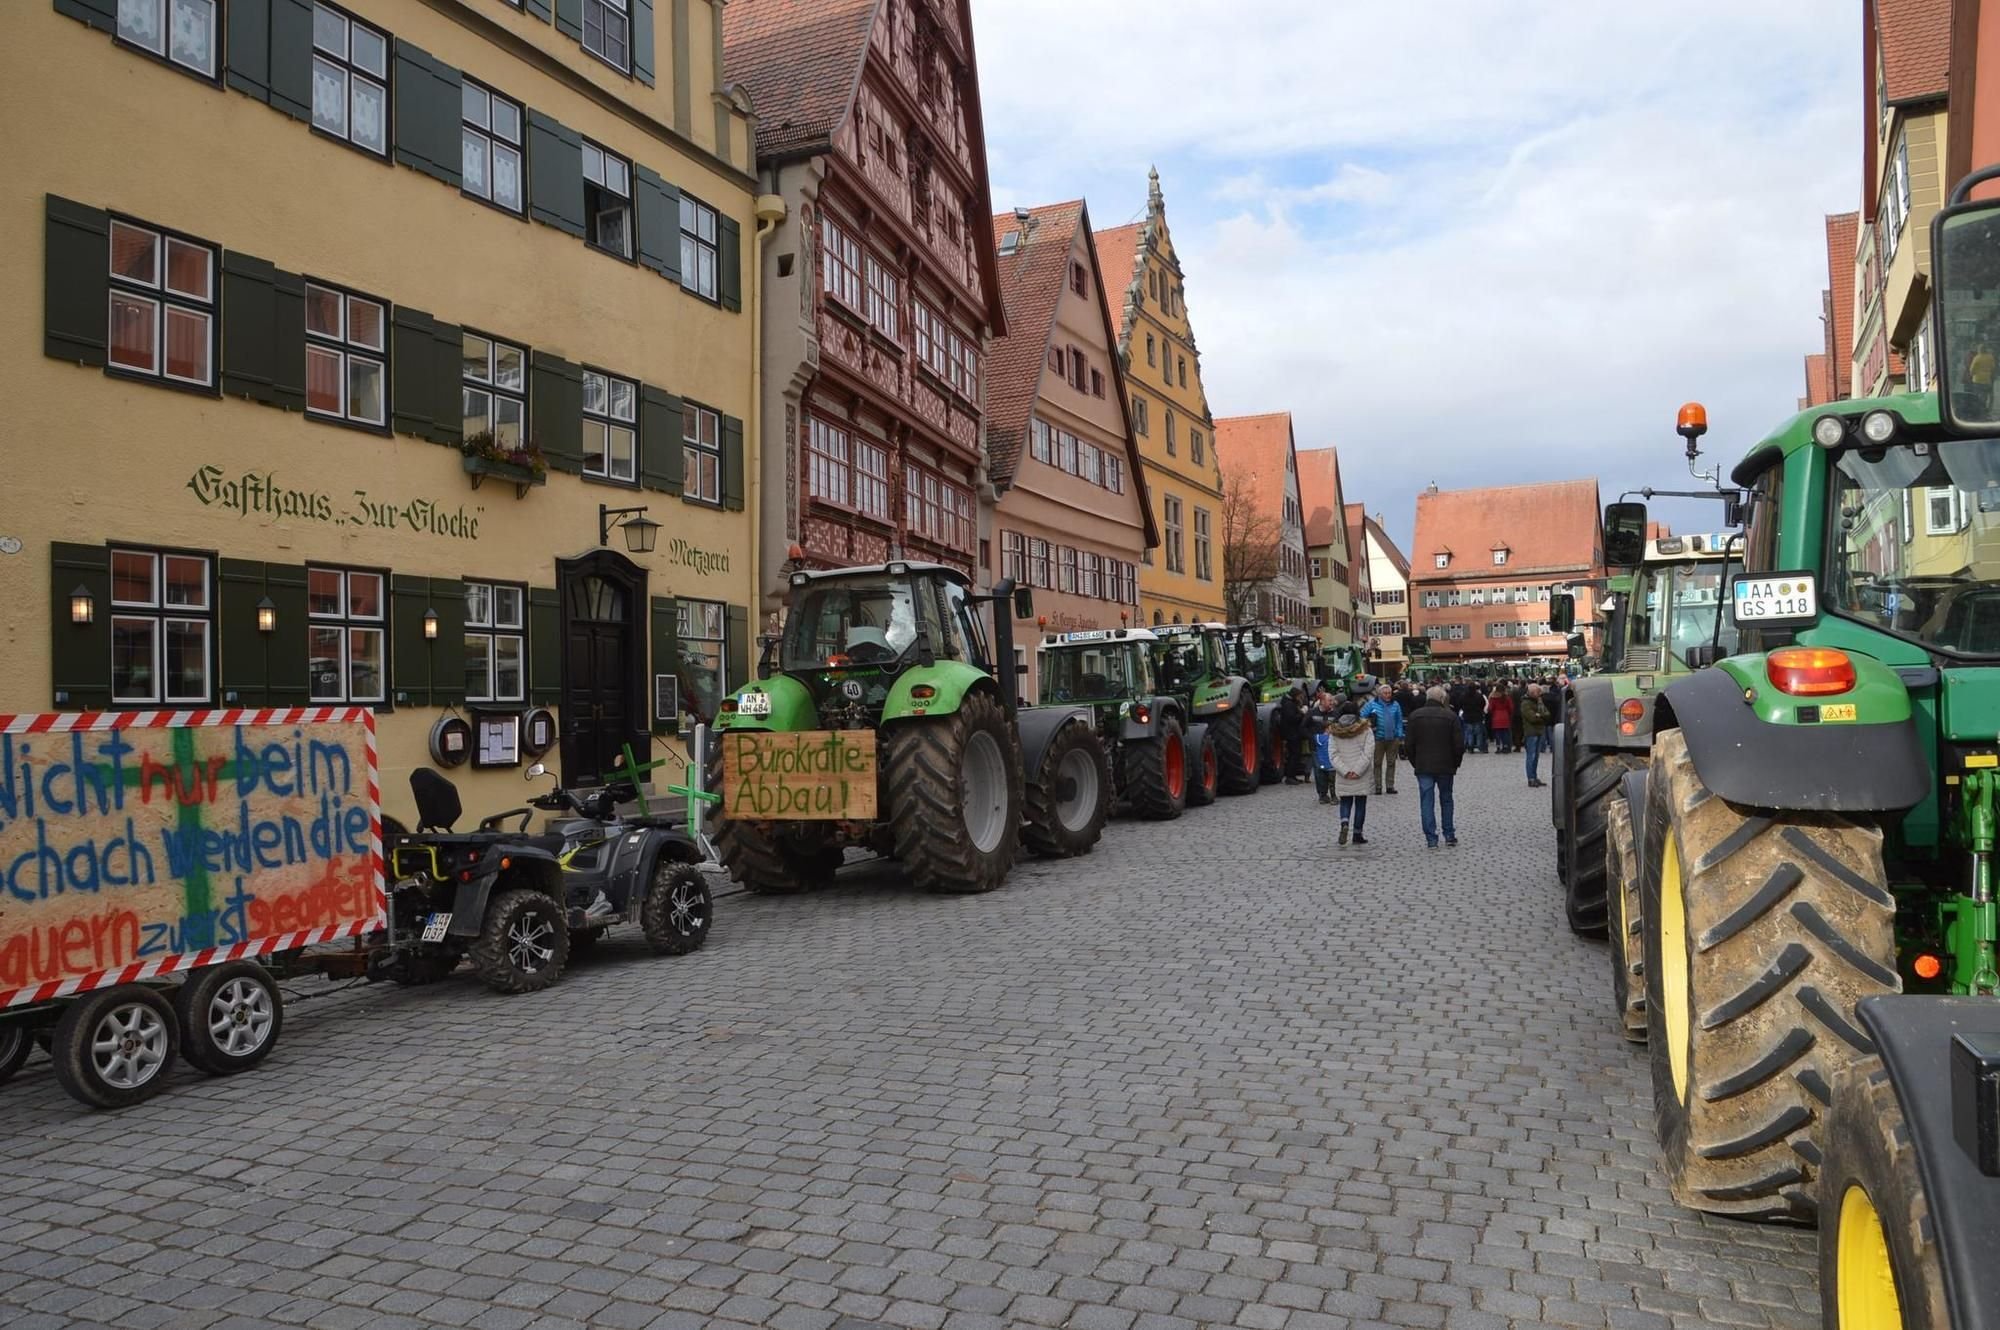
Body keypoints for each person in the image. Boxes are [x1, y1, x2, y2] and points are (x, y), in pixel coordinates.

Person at [1404, 685, 1464, 848]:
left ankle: (1431, 838)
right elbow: (1459, 744)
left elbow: (1408, 744)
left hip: (1423, 765)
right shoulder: (1450, 716)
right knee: (1446, 799)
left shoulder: (1415, 716)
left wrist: (1415, 762)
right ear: (1442, 699)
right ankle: (1449, 834)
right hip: (1446, 765)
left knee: (1426, 801)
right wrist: (1455, 763)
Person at [1320, 701, 1375, 845]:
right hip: (1361, 774)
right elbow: (1368, 753)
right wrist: (1357, 770)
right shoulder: (1365, 729)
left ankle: (1344, 823)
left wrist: (1345, 771)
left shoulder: (1335, 731)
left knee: (1345, 801)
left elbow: (1333, 755)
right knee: (1360, 803)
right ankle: (1357, 834)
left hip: (1343, 774)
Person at [1360, 683, 1405, 795]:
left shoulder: (1395, 704)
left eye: (1389, 693)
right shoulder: (1372, 704)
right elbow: (1362, 716)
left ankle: (1390, 786)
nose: (1388, 695)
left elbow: (1399, 720)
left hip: (1393, 738)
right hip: (1377, 738)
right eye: (1385, 693)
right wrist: (1369, 725)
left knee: (1391, 762)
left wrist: (1399, 734)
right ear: (1379, 694)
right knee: (1377, 763)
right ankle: (1378, 786)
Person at [1306, 689, 1340, 803]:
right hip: (1317, 748)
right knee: (1319, 771)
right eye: (1329, 700)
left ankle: (1334, 794)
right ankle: (1322, 794)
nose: (1332, 703)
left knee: (1332, 771)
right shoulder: (1312, 713)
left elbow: (1340, 727)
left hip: (1332, 748)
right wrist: (1313, 737)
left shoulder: (1335, 713)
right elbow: (1303, 727)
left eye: (1332, 700)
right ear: (1322, 701)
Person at [1520, 682, 1553, 787]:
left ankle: (1534, 776)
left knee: (1536, 756)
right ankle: (1531, 778)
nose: (1540, 695)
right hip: (1531, 732)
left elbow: (1547, 714)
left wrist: (1540, 715)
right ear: (1533, 693)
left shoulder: (1539, 701)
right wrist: (1540, 716)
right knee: (1531, 756)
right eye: (1538, 693)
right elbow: (1532, 718)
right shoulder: (1525, 703)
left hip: (1539, 731)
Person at [1277, 686, 1307, 784]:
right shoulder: (1289, 705)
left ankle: (1292, 776)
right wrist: (1302, 713)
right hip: (1291, 733)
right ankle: (1290, 776)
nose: (1300, 699)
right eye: (1299, 696)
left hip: (1292, 733)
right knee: (1294, 754)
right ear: (1295, 696)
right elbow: (1292, 719)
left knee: (1295, 754)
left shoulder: (1289, 703)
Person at [1455, 679, 1488, 753]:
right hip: (1477, 715)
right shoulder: (1479, 696)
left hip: (1467, 715)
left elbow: (1460, 704)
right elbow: (1483, 704)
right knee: (1478, 732)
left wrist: (1465, 709)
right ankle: (1480, 746)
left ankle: (1470, 746)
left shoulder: (1463, 696)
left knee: (1469, 732)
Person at [1487, 683, 1515, 754]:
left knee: (1497, 733)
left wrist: (1492, 713)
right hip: (1505, 716)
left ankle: (1498, 747)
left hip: (1496, 716)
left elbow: (1490, 708)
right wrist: (1508, 713)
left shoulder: (1493, 698)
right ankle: (1505, 746)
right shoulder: (1507, 697)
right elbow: (1511, 708)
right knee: (1505, 733)